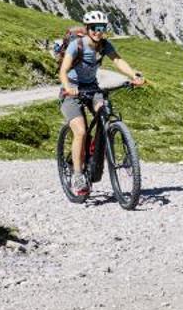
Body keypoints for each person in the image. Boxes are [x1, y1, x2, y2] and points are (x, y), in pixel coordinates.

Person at [59, 10, 145, 194]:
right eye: (95, 28)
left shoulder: (104, 45)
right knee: (80, 131)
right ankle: (77, 175)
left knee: (105, 111)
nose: (99, 31)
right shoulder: (77, 45)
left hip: (92, 88)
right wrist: (68, 87)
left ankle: (95, 154)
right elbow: (63, 70)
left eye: (102, 28)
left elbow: (117, 60)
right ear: (88, 28)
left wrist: (133, 75)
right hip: (71, 92)